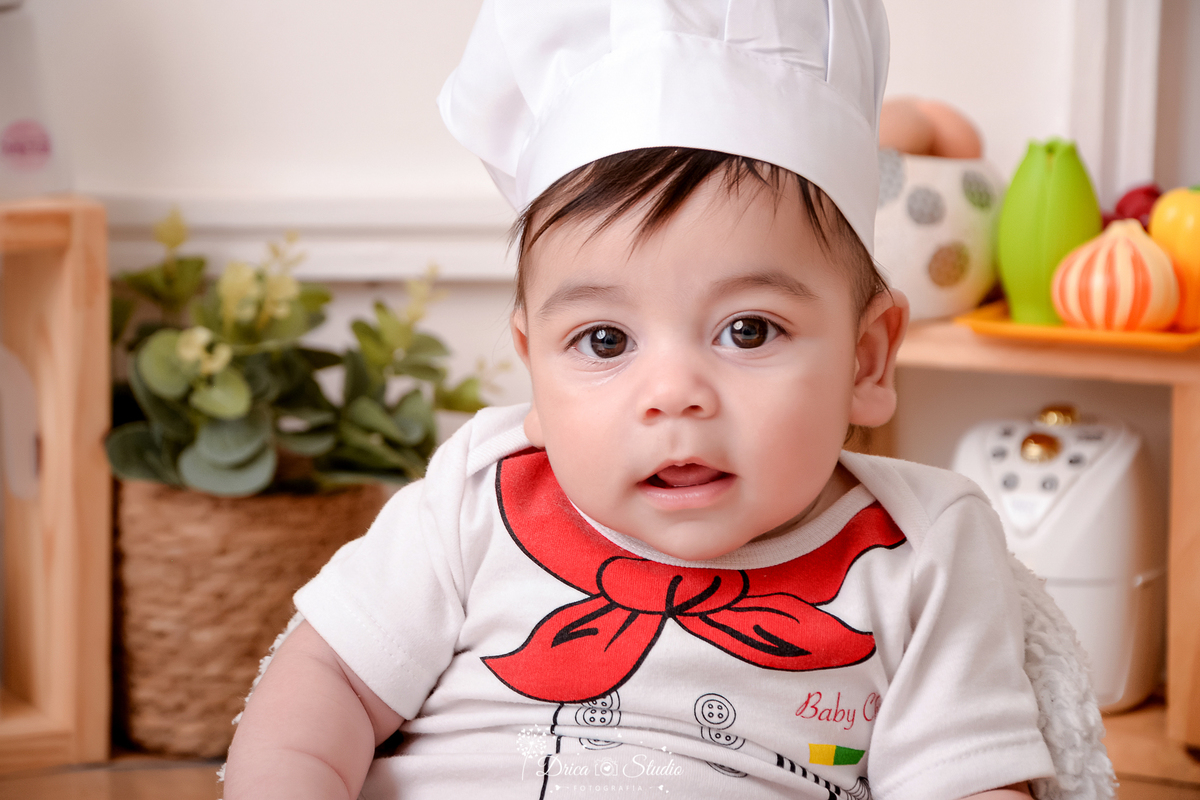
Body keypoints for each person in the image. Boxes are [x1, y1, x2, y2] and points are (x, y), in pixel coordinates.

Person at [224, 2, 1057, 799]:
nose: (673, 396)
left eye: (749, 331)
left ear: (866, 359)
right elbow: (327, 681)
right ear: (534, 370)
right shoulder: (475, 499)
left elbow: (968, 782)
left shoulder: (921, 551)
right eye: (604, 341)